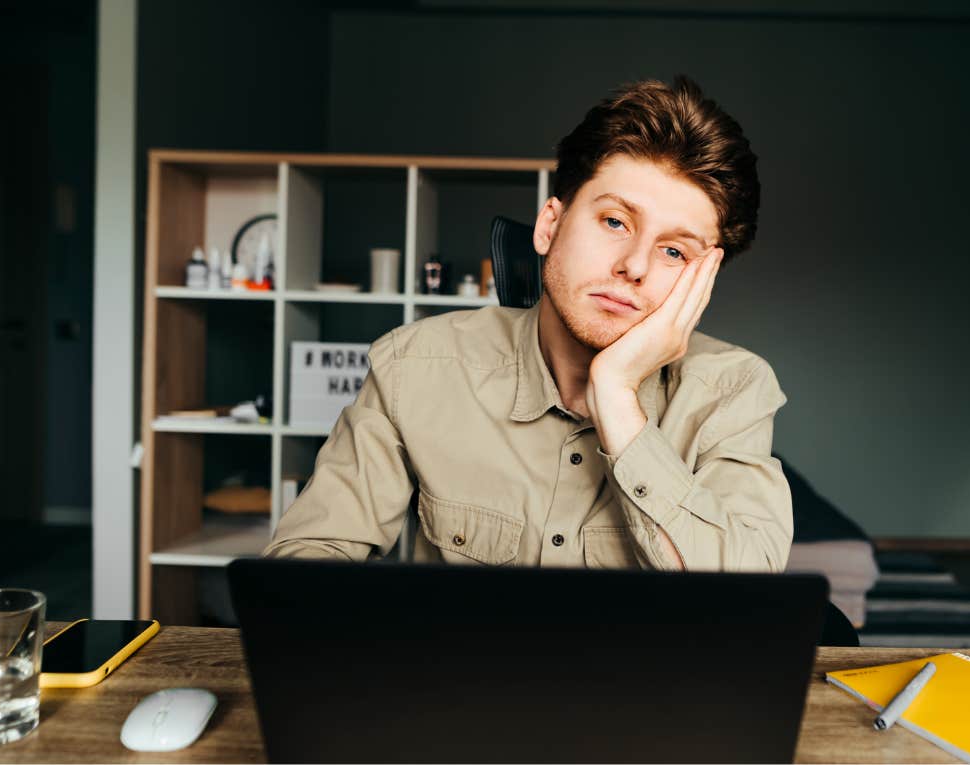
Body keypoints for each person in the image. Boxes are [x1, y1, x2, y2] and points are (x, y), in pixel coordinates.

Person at [264, 75, 791, 571]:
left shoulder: (731, 388)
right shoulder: (414, 367)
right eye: (614, 221)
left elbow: (748, 589)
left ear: (704, 278)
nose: (634, 265)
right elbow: (306, 560)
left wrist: (616, 395)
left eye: (674, 251)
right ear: (549, 225)